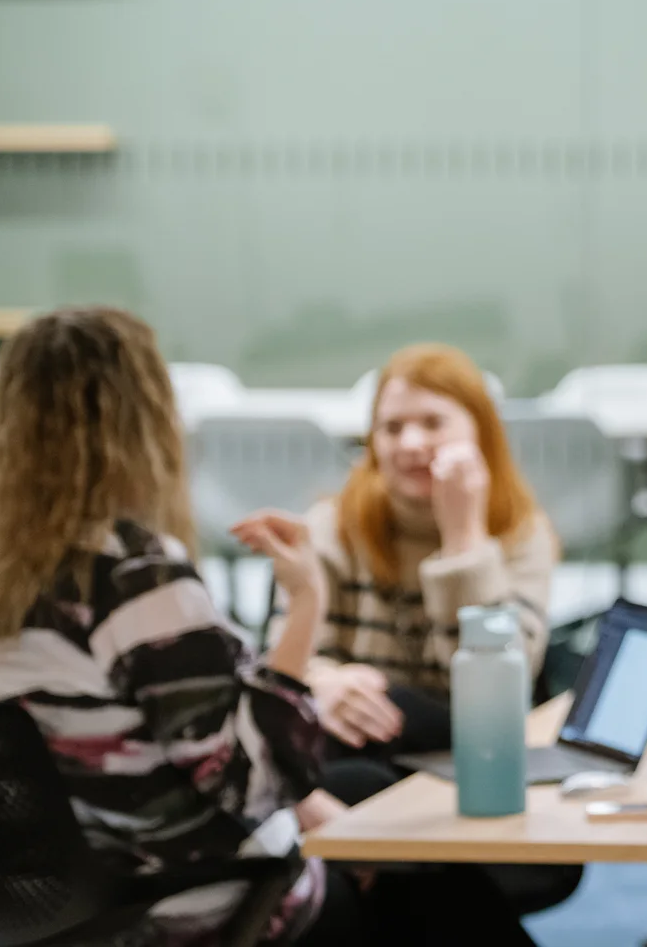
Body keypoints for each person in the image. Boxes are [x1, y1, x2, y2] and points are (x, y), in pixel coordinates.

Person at [0, 307, 339, 945]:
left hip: (83, 902)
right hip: (207, 901)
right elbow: (256, 785)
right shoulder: (132, 579)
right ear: (145, 418)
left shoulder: (14, 571)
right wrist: (306, 603)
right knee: (431, 889)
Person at [257, 342, 570, 936]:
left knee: (365, 777)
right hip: (358, 761)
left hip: (477, 763)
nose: (409, 444)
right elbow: (285, 660)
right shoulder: (335, 526)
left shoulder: (521, 534)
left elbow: (502, 675)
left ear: (480, 433)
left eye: (433, 423)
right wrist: (326, 682)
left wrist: (463, 538)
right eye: (392, 427)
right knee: (360, 787)